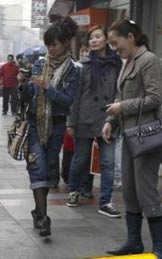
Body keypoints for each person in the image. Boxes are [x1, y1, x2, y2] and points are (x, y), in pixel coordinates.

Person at [103, 19, 162, 258]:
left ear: (131, 36)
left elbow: (155, 98)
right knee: (129, 191)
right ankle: (134, 242)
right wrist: (110, 121)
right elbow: (121, 96)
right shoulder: (127, 63)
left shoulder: (149, 60)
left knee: (146, 190)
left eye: (116, 43)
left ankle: (158, 245)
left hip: (146, 136)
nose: (115, 48)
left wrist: (121, 107)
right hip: (129, 135)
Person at [21, 16, 79, 237]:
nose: (51, 49)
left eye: (54, 44)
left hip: (56, 125)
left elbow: (68, 101)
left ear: (64, 43)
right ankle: (44, 218)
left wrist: (48, 89)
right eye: (48, 45)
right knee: (38, 167)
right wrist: (24, 86)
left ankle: (38, 211)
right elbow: (30, 94)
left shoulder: (73, 69)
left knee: (46, 168)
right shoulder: (39, 63)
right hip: (36, 122)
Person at [65, 25, 122, 218]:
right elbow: (76, 95)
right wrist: (71, 122)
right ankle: (74, 191)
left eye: (98, 37)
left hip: (108, 118)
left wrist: (114, 116)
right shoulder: (83, 64)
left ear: (106, 39)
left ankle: (105, 201)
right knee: (80, 159)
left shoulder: (117, 63)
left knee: (107, 162)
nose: (94, 40)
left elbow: (119, 92)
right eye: (91, 38)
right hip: (85, 118)